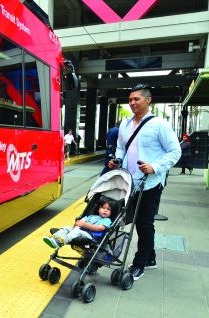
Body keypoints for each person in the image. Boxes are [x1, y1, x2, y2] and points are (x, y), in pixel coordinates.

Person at [108, 84, 181, 281]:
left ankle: (140, 263)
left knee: (144, 223)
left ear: (148, 100)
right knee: (125, 218)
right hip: (128, 181)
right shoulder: (125, 124)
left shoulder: (160, 125)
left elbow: (175, 152)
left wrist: (155, 167)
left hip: (150, 182)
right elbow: (121, 148)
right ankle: (151, 258)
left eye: (136, 99)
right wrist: (117, 160)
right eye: (130, 99)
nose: (132, 103)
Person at [43, 199, 113, 249]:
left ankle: (61, 241)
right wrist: (75, 225)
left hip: (90, 236)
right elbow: (78, 224)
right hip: (79, 230)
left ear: (110, 213)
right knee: (66, 228)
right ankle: (56, 239)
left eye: (108, 209)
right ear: (98, 209)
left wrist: (84, 225)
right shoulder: (91, 216)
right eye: (103, 208)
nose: (105, 210)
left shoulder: (107, 220)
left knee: (77, 231)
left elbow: (99, 228)